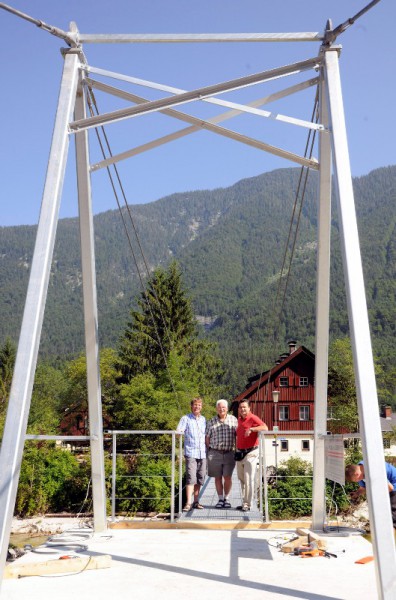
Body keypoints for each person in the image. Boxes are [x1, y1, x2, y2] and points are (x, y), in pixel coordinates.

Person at [236, 400, 268, 512]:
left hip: (251, 452)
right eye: (240, 407)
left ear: (249, 408)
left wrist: (252, 429)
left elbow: (265, 427)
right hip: (240, 453)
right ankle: (245, 501)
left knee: (248, 478)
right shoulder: (239, 420)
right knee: (241, 479)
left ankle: (248, 504)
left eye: (244, 407)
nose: (242, 409)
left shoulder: (253, 417)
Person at [205, 399, 237, 509]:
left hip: (229, 453)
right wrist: (210, 450)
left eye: (223, 407)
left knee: (227, 477)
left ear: (227, 409)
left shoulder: (234, 420)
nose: (221, 409)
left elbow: (238, 436)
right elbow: (207, 437)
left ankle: (227, 499)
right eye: (219, 407)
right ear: (216, 409)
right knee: (217, 477)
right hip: (215, 453)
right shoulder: (211, 421)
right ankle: (220, 499)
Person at [345, 461, 396, 528]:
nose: (357, 481)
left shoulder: (373, 469)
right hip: (385, 489)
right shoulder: (360, 471)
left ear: (356, 474)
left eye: (355, 480)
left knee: (392, 519)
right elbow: (363, 487)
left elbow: (390, 488)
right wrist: (357, 493)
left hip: (393, 488)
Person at [177, 397, 207, 511]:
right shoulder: (185, 418)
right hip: (191, 452)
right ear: (191, 406)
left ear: (201, 407)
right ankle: (188, 503)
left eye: (199, 405)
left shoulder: (203, 419)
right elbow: (179, 431)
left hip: (202, 453)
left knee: (200, 477)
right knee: (191, 477)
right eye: (195, 405)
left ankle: (196, 501)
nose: (197, 407)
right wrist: (179, 433)